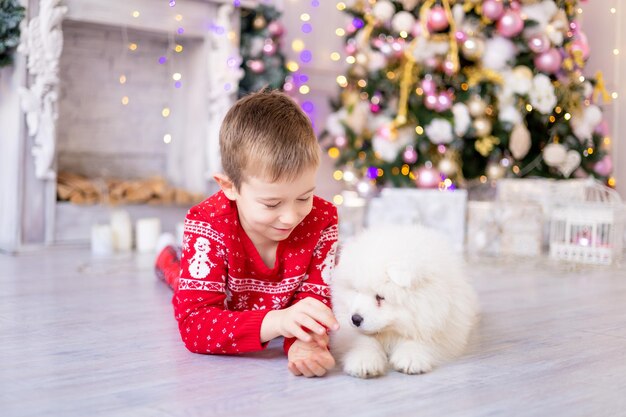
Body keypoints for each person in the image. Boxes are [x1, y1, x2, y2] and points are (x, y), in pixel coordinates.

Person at [155, 89, 340, 377]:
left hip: (272, 307)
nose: (291, 216)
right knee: (179, 278)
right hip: (226, 296)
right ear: (229, 187)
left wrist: (302, 344)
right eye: (271, 203)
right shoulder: (207, 223)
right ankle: (166, 257)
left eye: (304, 197)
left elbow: (315, 301)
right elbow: (195, 325)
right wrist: (278, 322)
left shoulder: (322, 219)